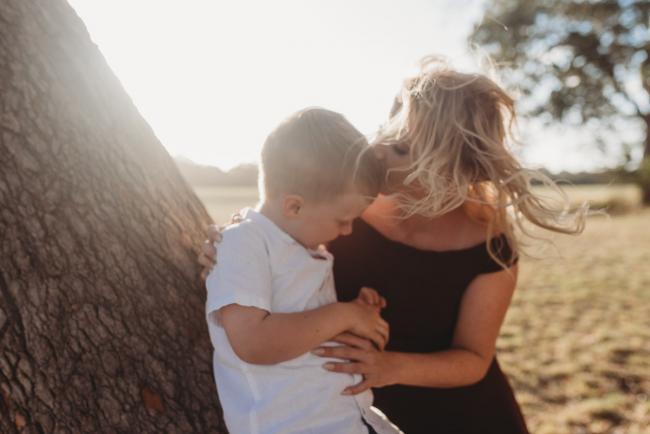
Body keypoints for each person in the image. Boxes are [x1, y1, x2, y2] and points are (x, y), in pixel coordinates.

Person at [201, 57, 586, 434]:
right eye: (386, 128)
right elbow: (275, 236)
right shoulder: (342, 205)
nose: (380, 148)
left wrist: (390, 367)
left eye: (402, 147)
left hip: (461, 417)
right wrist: (229, 248)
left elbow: (474, 359)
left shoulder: (488, 246)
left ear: (454, 168)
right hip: (337, 414)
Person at [205, 107, 402, 434]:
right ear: (294, 206)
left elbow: (308, 327)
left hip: (351, 417)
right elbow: (254, 342)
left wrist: (359, 314)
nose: (349, 231)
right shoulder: (245, 243)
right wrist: (345, 315)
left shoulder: (303, 248)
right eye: (343, 220)